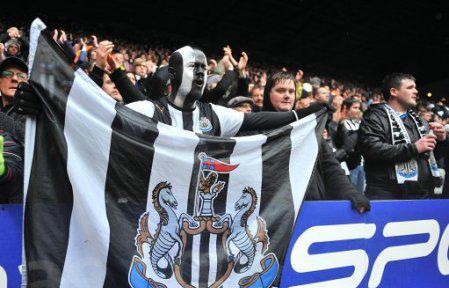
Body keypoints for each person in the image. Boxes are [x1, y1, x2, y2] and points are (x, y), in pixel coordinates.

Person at [14, 45, 325, 139]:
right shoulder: (150, 111)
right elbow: (92, 117)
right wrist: (44, 103)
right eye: (196, 69)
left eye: (206, 70)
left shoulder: (214, 114)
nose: (203, 76)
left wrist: (304, 114)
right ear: (173, 75)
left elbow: (260, 122)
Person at [356, 73, 446, 288]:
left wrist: (437, 141)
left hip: (414, 196)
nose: (416, 91)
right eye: (411, 87)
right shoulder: (376, 115)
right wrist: (413, 148)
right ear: (394, 92)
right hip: (385, 194)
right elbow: (369, 147)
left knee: (404, 258)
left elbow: (422, 155)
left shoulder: (417, 120)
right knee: (375, 256)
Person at [262, 71, 370, 212]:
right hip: (271, 211)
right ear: (268, 94)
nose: (287, 95)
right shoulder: (256, 129)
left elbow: (330, 166)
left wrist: (351, 193)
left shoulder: (308, 127)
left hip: (311, 208)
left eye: (291, 91)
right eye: (280, 90)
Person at [0, 56, 28, 143]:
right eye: (7, 74)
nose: (15, 79)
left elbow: (26, 138)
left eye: (21, 75)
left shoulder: (33, 112)